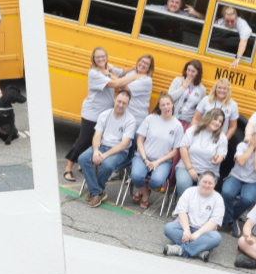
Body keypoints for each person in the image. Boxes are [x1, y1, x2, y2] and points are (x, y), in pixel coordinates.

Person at [61, 48, 138, 183]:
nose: (101, 59)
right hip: (93, 112)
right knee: (84, 140)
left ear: (106, 57)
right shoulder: (94, 73)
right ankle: (68, 167)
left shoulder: (108, 67)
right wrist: (131, 77)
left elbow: (122, 72)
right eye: (98, 57)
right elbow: (115, 83)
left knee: (95, 140)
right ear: (93, 59)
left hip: (104, 113)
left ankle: (83, 165)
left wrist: (136, 68)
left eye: (103, 56)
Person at [78, 89, 139, 208]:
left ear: (128, 104)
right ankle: (98, 192)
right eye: (119, 101)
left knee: (106, 164)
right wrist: (96, 151)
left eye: (124, 103)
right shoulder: (104, 114)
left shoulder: (130, 120)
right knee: (83, 158)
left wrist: (104, 155)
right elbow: (97, 135)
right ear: (114, 100)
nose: (121, 105)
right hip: (101, 147)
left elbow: (124, 144)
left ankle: (95, 191)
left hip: (119, 151)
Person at [128, 93, 185, 209]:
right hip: (143, 156)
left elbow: (175, 151)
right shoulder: (150, 118)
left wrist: (157, 162)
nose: (166, 107)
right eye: (163, 105)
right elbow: (140, 141)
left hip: (163, 161)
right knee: (135, 176)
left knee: (157, 182)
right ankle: (145, 194)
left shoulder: (177, 126)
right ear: (159, 106)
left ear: (172, 104)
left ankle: (143, 190)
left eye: (168, 104)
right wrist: (144, 159)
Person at [162, 170, 225, 261]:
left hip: (204, 233)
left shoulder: (218, 199)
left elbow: (214, 222)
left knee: (216, 238)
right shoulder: (189, 192)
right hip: (185, 228)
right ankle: (199, 250)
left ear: (215, 184)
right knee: (168, 228)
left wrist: (198, 233)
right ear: (199, 180)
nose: (206, 185)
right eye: (204, 182)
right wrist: (187, 230)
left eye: (210, 183)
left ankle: (180, 250)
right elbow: (182, 212)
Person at [219, 130, 256, 232]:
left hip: (253, 181)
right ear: (251, 137)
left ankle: (228, 219)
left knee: (248, 199)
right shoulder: (242, 146)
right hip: (236, 177)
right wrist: (252, 146)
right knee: (226, 192)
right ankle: (231, 221)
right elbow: (241, 162)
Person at [179, 109, 229, 190]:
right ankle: (186, 202)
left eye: (220, 121)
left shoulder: (222, 137)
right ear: (208, 118)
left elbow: (221, 155)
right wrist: (190, 169)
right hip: (187, 166)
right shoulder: (193, 130)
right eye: (215, 119)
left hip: (209, 170)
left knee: (204, 189)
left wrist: (217, 160)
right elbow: (183, 149)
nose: (217, 123)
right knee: (183, 184)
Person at [166, 59, 207, 125]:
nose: (190, 73)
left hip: (186, 123)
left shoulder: (202, 89)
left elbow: (199, 109)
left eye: (193, 71)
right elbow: (169, 98)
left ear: (198, 73)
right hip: (171, 118)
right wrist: (183, 87)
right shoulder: (177, 81)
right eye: (188, 70)